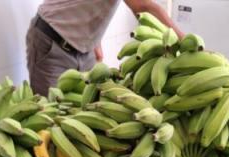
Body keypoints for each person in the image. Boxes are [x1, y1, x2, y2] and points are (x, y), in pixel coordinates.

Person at [26, 0, 183, 96]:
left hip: (83, 49)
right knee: (50, 116)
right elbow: (142, 6)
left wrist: (94, 39)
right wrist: (185, 42)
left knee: (83, 111)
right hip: (52, 41)